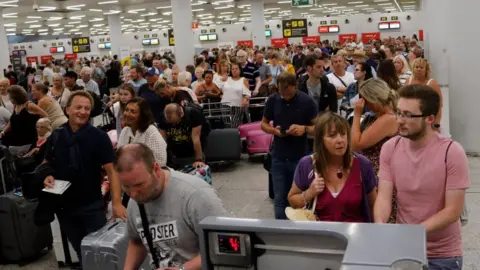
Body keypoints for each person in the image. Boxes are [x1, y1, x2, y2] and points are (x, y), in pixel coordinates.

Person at [375, 85, 469, 270]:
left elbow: (452, 211)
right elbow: (384, 196)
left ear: (430, 119)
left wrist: (413, 233)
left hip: (442, 255)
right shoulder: (390, 148)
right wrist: (380, 224)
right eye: (398, 112)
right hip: (404, 249)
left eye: (408, 115)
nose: (400, 120)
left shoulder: (451, 152)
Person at [42, 91, 126, 260]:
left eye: (87, 108)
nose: (83, 112)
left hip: (91, 205)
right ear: (67, 110)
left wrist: (117, 202)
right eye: (78, 107)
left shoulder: (99, 137)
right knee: (82, 252)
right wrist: (47, 175)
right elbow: (46, 163)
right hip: (64, 207)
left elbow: (113, 171)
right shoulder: (57, 135)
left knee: (102, 252)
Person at [115, 144, 228, 270]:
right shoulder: (135, 200)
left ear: (156, 170)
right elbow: (137, 242)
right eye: (126, 187)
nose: (133, 194)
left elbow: (225, 248)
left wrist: (183, 269)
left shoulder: (196, 195)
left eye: (139, 184)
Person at [287, 112, 377, 222]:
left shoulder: (363, 164)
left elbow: (374, 205)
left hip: (356, 235)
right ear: (321, 140)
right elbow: (292, 201)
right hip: (321, 236)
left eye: (343, 134)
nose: (340, 140)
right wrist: (309, 193)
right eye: (332, 135)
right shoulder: (307, 164)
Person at [261, 72, 318, 219]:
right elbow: (263, 124)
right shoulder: (273, 100)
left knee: (299, 197)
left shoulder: (307, 102)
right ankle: (281, 229)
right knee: (279, 198)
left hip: (300, 158)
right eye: (282, 93)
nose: (285, 96)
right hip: (279, 156)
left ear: (295, 86)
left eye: (288, 93)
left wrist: (303, 129)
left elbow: (319, 128)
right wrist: (274, 131)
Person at [117, 97, 167, 166]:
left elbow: (161, 162)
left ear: (142, 115)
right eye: (126, 110)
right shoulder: (125, 131)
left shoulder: (151, 131)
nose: (127, 114)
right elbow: (119, 157)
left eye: (133, 111)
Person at [159, 103, 206, 170]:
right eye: (170, 123)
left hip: (192, 151)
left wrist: (198, 159)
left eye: (175, 122)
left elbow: (196, 138)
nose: (174, 125)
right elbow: (162, 140)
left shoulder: (193, 114)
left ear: (181, 114)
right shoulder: (162, 117)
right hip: (174, 153)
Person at [220, 62, 251, 128]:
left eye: (236, 68)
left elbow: (247, 93)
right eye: (232, 69)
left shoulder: (244, 80)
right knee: (227, 125)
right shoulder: (227, 79)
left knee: (235, 125)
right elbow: (219, 90)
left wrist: (245, 99)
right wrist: (222, 80)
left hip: (237, 106)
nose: (234, 70)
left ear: (240, 70)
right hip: (225, 105)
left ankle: (236, 137)